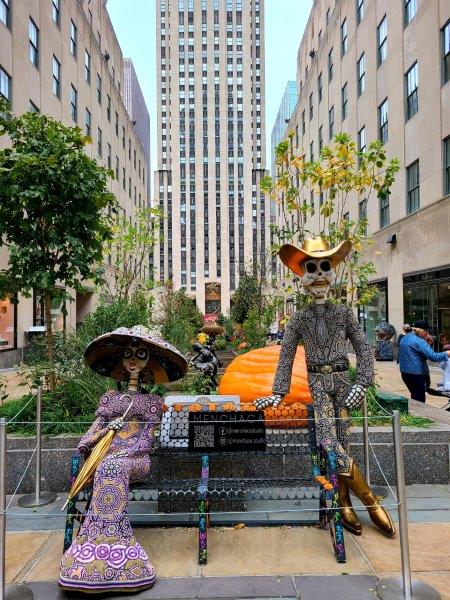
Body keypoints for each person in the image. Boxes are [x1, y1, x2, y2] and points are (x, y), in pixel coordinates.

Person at [255, 236, 395, 538]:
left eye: (324, 267)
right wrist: (277, 394)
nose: (319, 275)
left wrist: (363, 382)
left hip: (345, 383)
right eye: (311, 268)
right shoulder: (298, 319)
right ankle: (368, 500)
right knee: (329, 442)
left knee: (344, 440)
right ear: (303, 276)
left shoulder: (344, 313)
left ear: (331, 272)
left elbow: (361, 346)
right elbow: (286, 355)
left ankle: (344, 500)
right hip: (318, 384)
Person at [59, 326, 187, 594]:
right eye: (128, 354)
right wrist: (89, 440)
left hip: (135, 460)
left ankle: (117, 550)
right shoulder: (110, 398)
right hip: (104, 457)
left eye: (141, 354)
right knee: (108, 466)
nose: (133, 360)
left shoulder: (152, 402)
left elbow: (147, 439)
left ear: (149, 361)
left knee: (113, 466)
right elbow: (96, 426)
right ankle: (93, 547)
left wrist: (125, 452)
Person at [398, 319, 450, 403]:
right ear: (423, 331)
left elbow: (420, 355)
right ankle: (417, 414)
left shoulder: (405, 337)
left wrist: (428, 343)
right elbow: (433, 357)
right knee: (419, 399)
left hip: (405, 373)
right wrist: (447, 353)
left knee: (414, 396)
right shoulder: (419, 341)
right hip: (416, 374)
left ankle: (414, 413)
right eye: (427, 332)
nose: (428, 334)